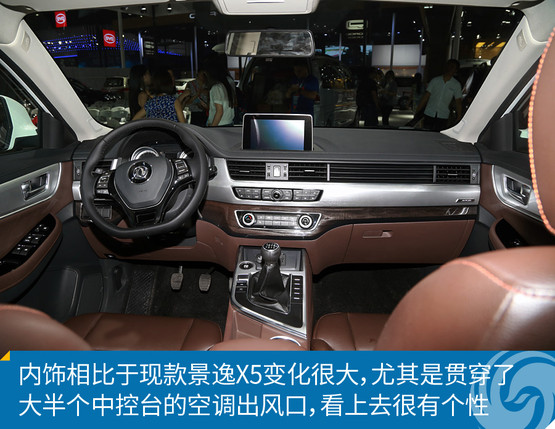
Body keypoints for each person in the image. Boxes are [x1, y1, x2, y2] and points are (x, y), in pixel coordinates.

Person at [414, 59, 463, 131]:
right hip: (429, 113)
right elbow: (426, 97)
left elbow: (458, 101)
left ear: (456, 70)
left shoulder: (456, 85)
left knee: (438, 134)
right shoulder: (435, 81)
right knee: (426, 133)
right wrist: (418, 111)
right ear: (446, 67)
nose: (451, 69)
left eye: (453, 67)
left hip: (443, 115)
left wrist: (459, 116)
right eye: (450, 66)